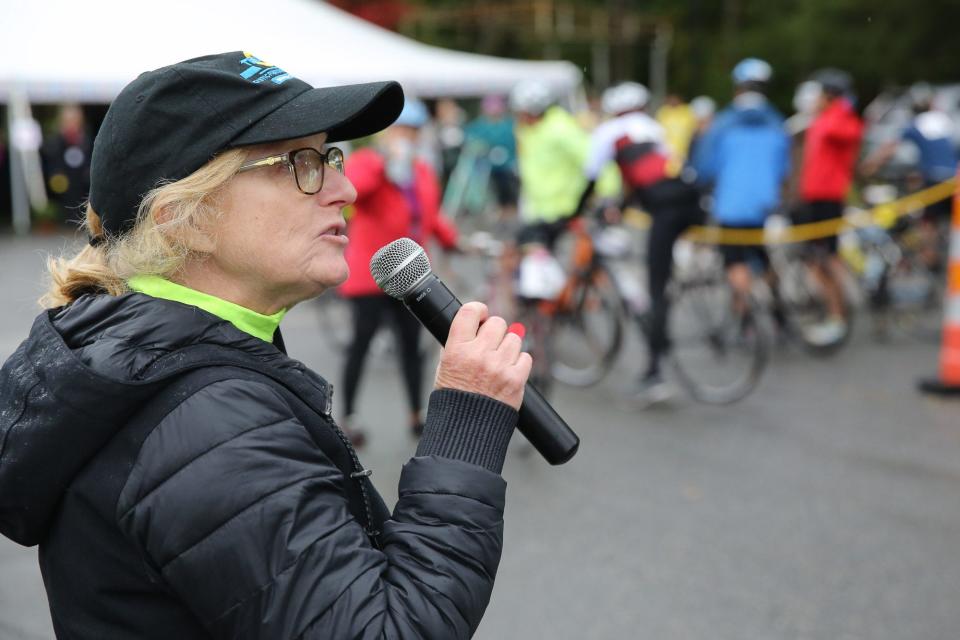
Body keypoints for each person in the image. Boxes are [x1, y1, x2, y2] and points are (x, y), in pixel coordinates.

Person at [0, 52, 531, 639]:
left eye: (331, 157)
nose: (345, 188)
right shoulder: (205, 422)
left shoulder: (152, 362)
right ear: (186, 218)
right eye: (300, 163)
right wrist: (464, 426)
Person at [339, 97, 459, 444]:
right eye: (401, 130)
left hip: (409, 274)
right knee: (360, 343)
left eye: (413, 131)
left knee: (412, 347)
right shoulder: (368, 160)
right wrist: (385, 164)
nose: (407, 137)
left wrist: (453, 240)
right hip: (369, 273)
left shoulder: (421, 170)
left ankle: (415, 415)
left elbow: (430, 216)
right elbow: (354, 193)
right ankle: (349, 416)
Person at [576, 81, 703, 399]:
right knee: (660, 271)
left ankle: (655, 370)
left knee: (656, 288)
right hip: (691, 200)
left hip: (668, 209)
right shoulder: (652, 127)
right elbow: (648, 175)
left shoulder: (609, 131)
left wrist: (574, 212)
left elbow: (591, 179)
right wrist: (621, 205)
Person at [691, 58, 790, 316]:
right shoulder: (776, 122)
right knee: (761, 254)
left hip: (731, 205)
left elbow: (704, 168)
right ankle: (778, 309)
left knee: (734, 261)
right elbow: (784, 168)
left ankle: (745, 317)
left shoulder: (723, 124)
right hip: (764, 204)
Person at [795, 68, 863, 345]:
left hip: (829, 197)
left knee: (829, 258)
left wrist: (841, 105)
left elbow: (850, 133)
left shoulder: (840, 119)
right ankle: (831, 309)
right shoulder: (823, 118)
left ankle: (838, 315)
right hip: (813, 196)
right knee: (816, 258)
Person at [463, 94, 520, 220]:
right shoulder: (479, 126)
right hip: (482, 170)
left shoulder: (508, 125)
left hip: (506, 168)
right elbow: (470, 139)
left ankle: (507, 211)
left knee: (507, 188)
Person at [40, 104, 93, 226]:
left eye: (74, 120)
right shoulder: (55, 141)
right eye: (68, 120)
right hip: (63, 184)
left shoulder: (86, 139)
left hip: (82, 184)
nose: (72, 123)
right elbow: (51, 161)